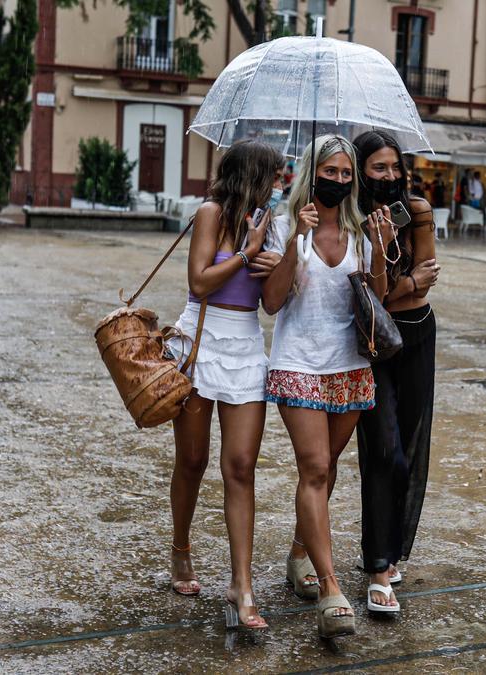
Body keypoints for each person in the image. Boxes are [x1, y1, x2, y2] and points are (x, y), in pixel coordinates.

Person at [261, 134, 395, 639]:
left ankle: (299, 554)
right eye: (330, 171)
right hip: (298, 361)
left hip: (348, 365)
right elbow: (271, 303)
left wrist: (380, 251)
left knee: (327, 468)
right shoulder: (282, 227)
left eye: (345, 174)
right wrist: (296, 240)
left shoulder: (362, 231)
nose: (337, 180)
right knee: (314, 468)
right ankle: (331, 589)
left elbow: (377, 300)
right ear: (310, 174)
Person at [165, 140, 285, 630]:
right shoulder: (211, 212)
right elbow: (198, 281)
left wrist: (286, 258)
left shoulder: (275, 224)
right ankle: (180, 548)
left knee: (241, 467)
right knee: (193, 460)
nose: (280, 184)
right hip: (201, 341)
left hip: (244, 347)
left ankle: (242, 585)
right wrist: (246, 254)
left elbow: (272, 304)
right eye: (274, 177)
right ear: (251, 176)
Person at [352, 130, 440, 615]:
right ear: (362, 171)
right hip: (373, 344)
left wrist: (398, 285)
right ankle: (379, 569)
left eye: (394, 168)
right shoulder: (350, 219)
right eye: (378, 168)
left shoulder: (419, 210)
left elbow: (428, 281)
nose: (388, 177)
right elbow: (369, 296)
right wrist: (402, 280)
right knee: (385, 453)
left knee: (408, 444)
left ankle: (391, 545)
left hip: (417, 335)